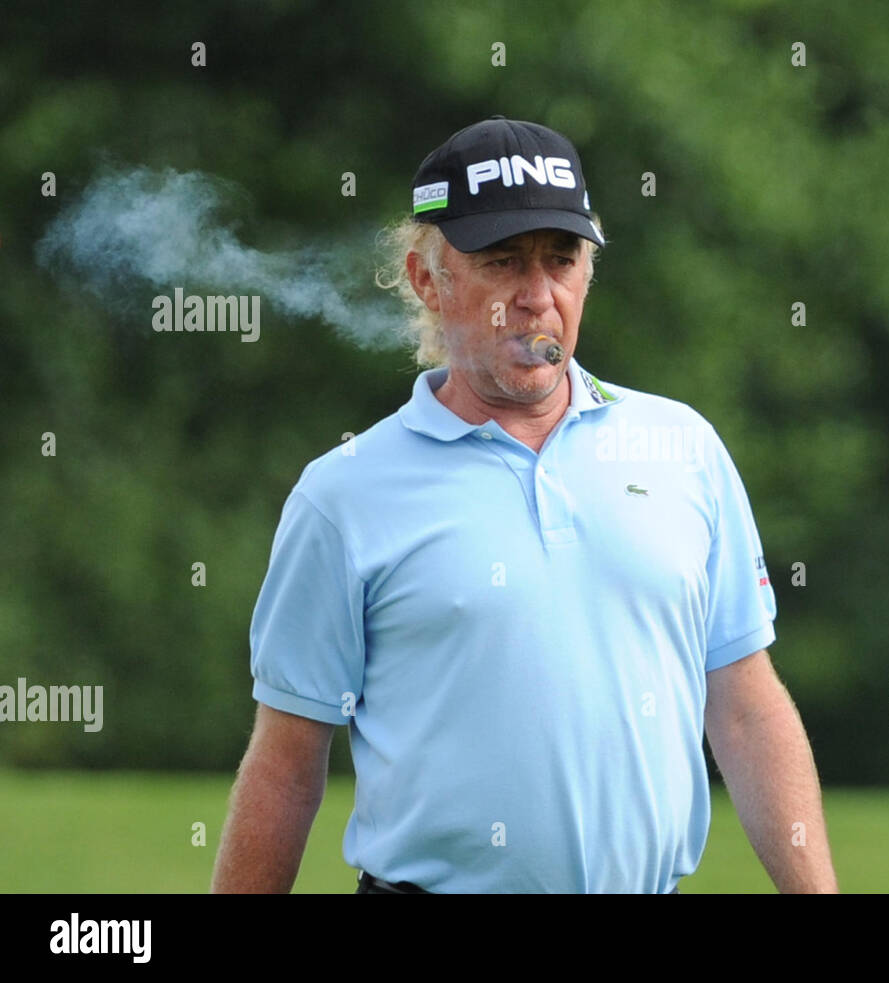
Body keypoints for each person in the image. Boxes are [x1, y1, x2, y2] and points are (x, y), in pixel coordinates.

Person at [210, 116, 838, 894]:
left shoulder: (684, 447)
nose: (537, 296)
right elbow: (286, 760)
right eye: (502, 261)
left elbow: (744, 703)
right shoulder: (344, 494)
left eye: (561, 259)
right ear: (427, 279)